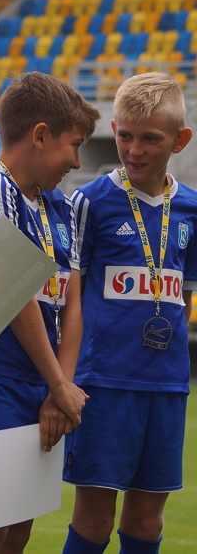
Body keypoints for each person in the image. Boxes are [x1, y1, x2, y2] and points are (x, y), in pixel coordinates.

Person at [0, 73, 98, 553]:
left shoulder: (63, 205)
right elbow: (16, 298)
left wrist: (61, 390)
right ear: (39, 135)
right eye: (73, 146)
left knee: (20, 528)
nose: (77, 161)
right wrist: (58, 384)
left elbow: (71, 302)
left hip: (44, 383)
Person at [62, 72, 196, 554]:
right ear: (114, 128)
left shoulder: (190, 210)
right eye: (124, 136)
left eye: (150, 139)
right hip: (103, 383)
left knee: (146, 521)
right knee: (94, 521)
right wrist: (65, 377)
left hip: (166, 383)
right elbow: (69, 295)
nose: (134, 150)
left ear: (180, 140)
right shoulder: (90, 202)